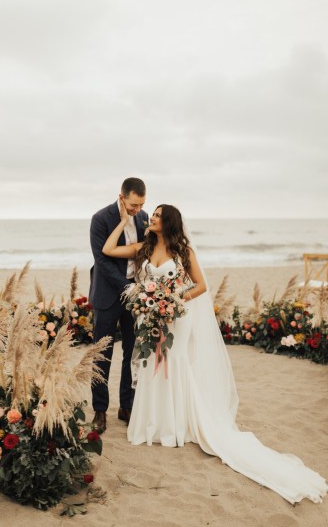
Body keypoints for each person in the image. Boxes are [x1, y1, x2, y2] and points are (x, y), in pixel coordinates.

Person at [102, 203, 328, 504]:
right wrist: (125, 221)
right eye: (150, 215)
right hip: (149, 318)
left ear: (168, 221)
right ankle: (151, 424)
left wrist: (173, 298)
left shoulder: (184, 252)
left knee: (175, 362)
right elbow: (108, 250)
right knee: (152, 364)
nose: (151, 218)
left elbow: (202, 285)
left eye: (156, 215)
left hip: (175, 318)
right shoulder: (144, 247)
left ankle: (175, 425)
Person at [89, 177, 149, 432]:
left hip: (135, 296)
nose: (138, 209)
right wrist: (127, 287)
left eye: (141, 204)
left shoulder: (145, 217)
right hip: (107, 294)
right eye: (134, 204)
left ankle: (127, 405)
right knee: (102, 354)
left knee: (132, 353)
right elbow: (102, 260)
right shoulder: (101, 218)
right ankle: (100, 411)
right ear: (122, 197)